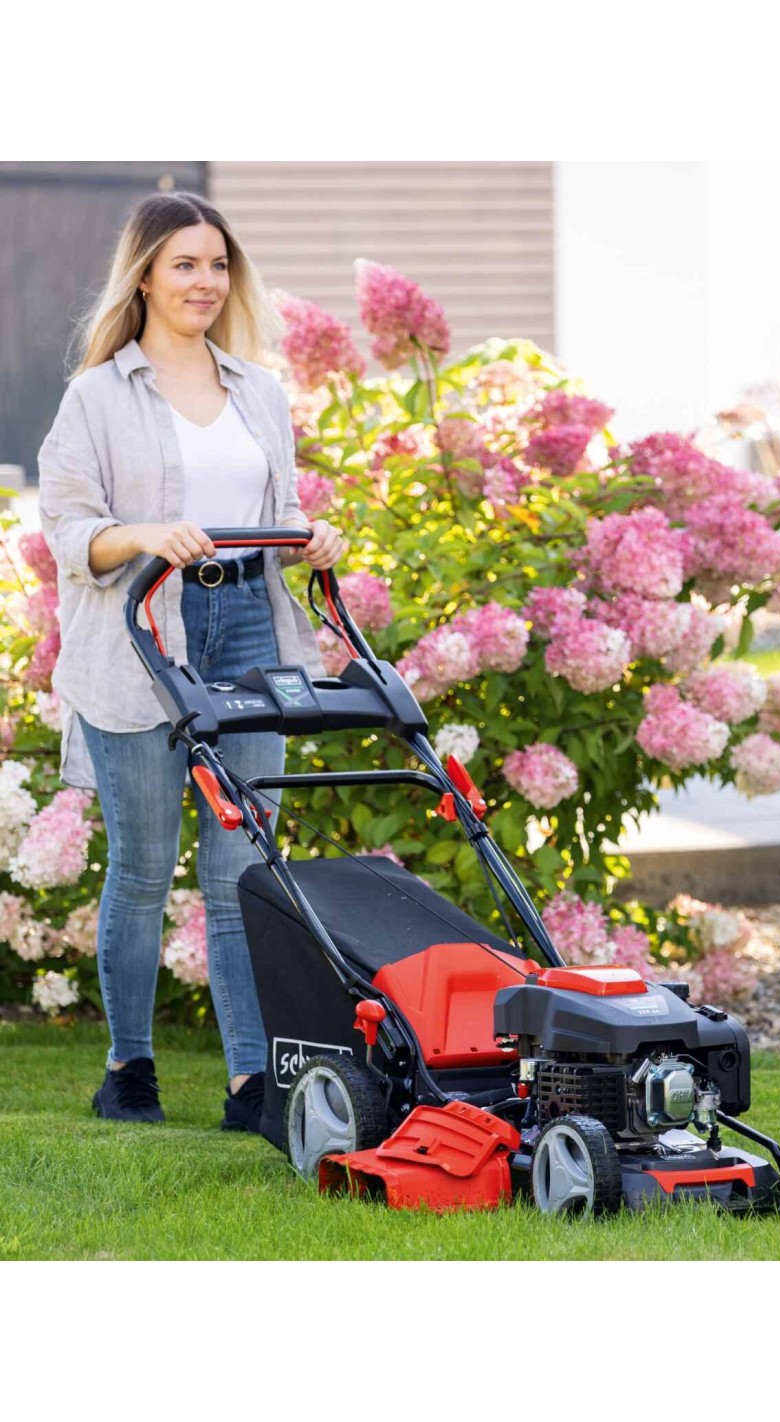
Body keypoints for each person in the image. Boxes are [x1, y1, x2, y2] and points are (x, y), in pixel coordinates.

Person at [37, 190, 344, 1130]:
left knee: (243, 865)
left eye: (217, 264)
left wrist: (311, 536)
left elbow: (276, 509)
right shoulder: (97, 396)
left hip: (248, 625)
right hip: (143, 633)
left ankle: (251, 1080)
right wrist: (143, 533)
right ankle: (129, 1068)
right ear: (144, 276)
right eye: (184, 265)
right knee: (142, 868)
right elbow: (69, 532)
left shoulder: (259, 391)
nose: (205, 281)